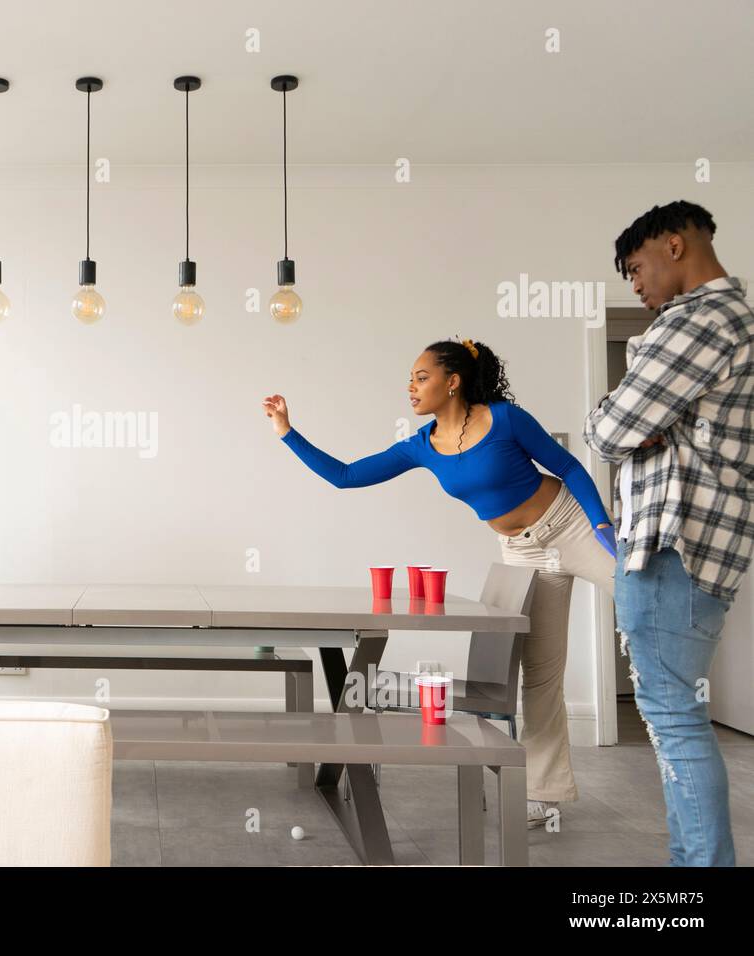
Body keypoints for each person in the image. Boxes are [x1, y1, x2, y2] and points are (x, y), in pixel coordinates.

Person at [264, 339, 615, 828]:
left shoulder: (505, 419)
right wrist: (287, 432)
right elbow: (345, 476)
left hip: (572, 524)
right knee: (540, 674)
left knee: (645, 600)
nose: (411, 386)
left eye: (421, 376)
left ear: (453, 381)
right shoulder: (422, 446)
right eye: (411, 378)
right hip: (522, 551)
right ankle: (543, 793)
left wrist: (602, 527)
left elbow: (569, 466)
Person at [585, 200, 753, 866]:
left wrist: (629, 418)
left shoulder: (700, 320)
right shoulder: (729, 319)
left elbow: (608, 430)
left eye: (636, 268)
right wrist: (636, 417)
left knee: (674, 717)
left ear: (674, 245)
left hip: (672, 543)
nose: (636, 287)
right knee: (673, 714)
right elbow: (626, 423)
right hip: (699, 546)